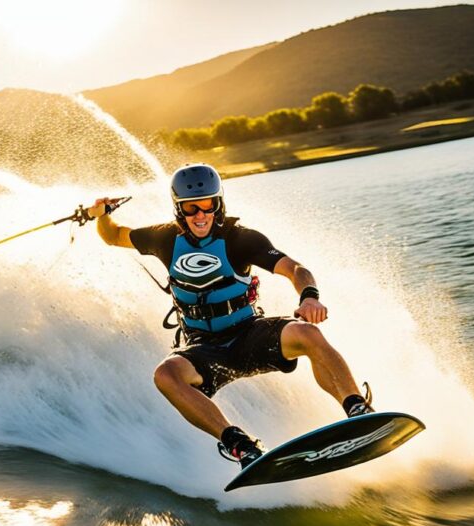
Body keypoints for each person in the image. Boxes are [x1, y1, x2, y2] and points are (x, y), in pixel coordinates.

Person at [89, 163, 373, 468]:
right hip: (205, 349)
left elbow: (296, 269)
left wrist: (309, 298)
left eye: (208, 205)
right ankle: (240, 445)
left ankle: (357, 408)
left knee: (308, 334)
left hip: (250, 334)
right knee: (165, 375)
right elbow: (113, 236)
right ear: (178, 209)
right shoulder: (164, 238)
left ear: (218, 203)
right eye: (191, 208)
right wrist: (101, 214)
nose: (201, 215)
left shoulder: (241, 239)